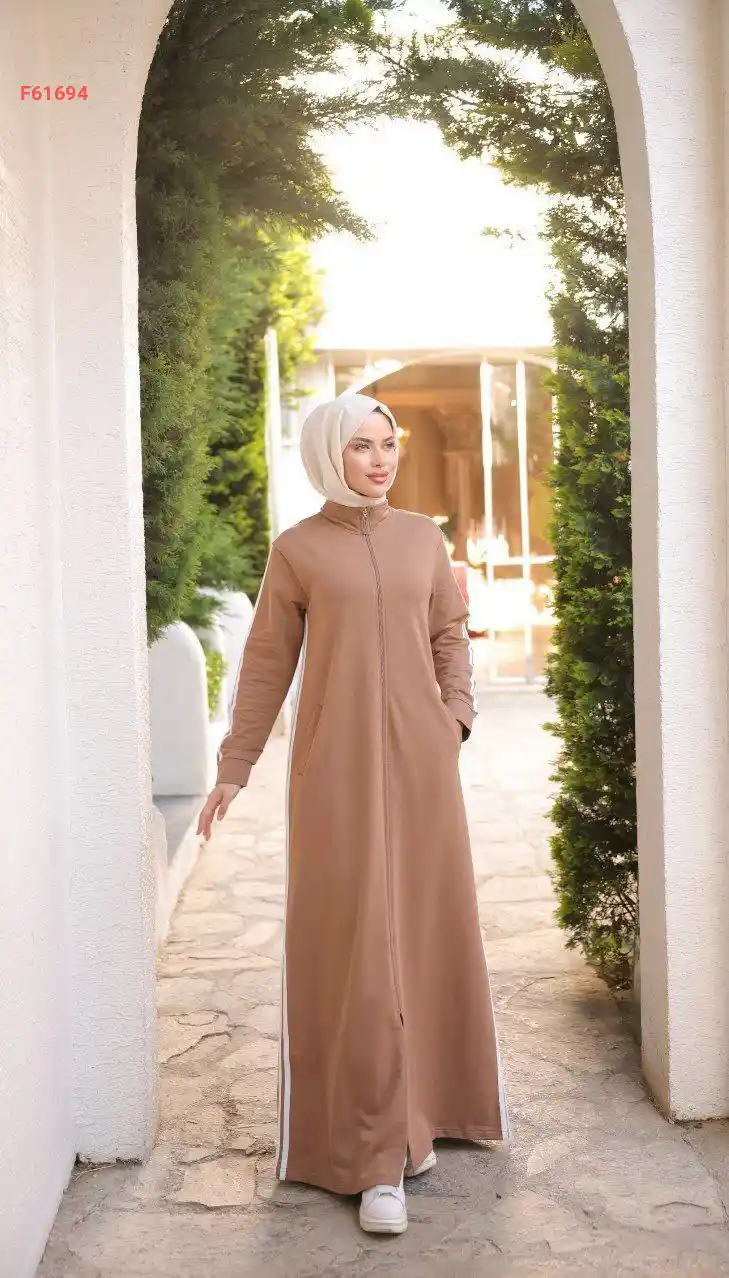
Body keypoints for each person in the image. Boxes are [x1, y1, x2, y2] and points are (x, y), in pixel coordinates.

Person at [197, 392, 510, 1235]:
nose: (379, 460)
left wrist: (454, 719)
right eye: (361, 446)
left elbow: (449, 634)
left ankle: (431, 1113)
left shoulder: (421, 538)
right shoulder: (297, 550)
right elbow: (267, 663)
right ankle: (375, 1157)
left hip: (421, 765)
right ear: (327, 455)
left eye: (387, 444)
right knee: (356, 948)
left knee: (428, 930)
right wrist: (235, 766)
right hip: (333, 772)